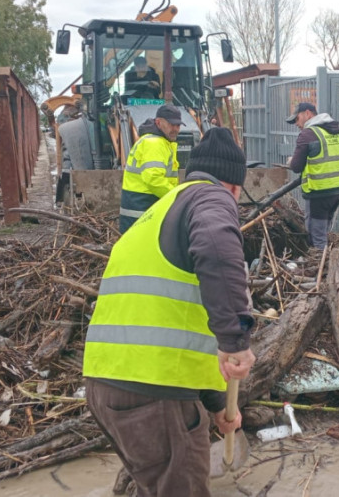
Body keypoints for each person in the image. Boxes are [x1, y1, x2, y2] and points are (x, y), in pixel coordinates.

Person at [83, 126, 256, 497]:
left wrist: (216, 406)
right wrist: (236, 338)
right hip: (152, 393)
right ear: (235, 188)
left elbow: (178, 325)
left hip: (106, 386)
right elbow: (215, 248)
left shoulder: (159, 212)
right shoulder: (212, 199)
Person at [286, 102, 339, 249]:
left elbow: (296, 167)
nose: (296, 123)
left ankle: (320, 267)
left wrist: (290, 161)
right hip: (337, 192)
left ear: (308, 113)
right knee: (323, 231)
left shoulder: (307, 134)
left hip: (318, 193)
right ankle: (326, 263)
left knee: (316, 237)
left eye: (297, 118)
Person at [119, 105, 185, 232]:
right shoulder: (155, 144)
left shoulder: (157, 141)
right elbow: (154, 180)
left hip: (140, 210)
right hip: (143, 211)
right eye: (172, 124)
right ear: (158, 122)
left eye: (178, 125)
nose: (176, 129)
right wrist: (178, 196)